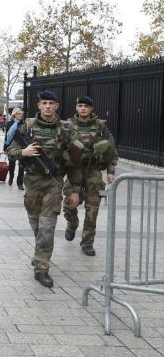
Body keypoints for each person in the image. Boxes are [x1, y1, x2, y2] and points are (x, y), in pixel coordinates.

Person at [6, 90, 71, 288]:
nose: (48, 107)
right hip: (32, 182)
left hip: (54, 182)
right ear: (39, 106)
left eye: (52, 103)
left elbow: (73, 159)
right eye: (44, 103)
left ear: (57, 106)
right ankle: (40, 252)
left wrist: (74, 187)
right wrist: (23, 152)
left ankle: (42, 268)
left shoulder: (64, 129)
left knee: (47, 225)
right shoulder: (27, 127)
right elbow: (9, 150)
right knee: (36, 222)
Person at [62, 96, 118, 257]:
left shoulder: (101, 127)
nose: (83, 109)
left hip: (93, 173)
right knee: (69, 207)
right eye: (80, 105)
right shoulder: (69, 126)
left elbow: (111, 150)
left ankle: (87, 243)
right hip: (74, 172)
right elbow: (62, 148)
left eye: (86, 106)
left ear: (91, 109)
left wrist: (111, 171)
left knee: (92, 211)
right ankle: (72, 224)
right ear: (76, 108)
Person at [4, 107, 25, 190]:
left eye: (22, 114)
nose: (21, 115)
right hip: (12, 146)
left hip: (22, 146)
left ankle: (20, 183)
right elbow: (7, 136)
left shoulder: (24, 124)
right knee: (11, 164)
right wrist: (5, 146)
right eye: (19, 114)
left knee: (21, 165)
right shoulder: (10, 124)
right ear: (14, 114)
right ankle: (11, 178)